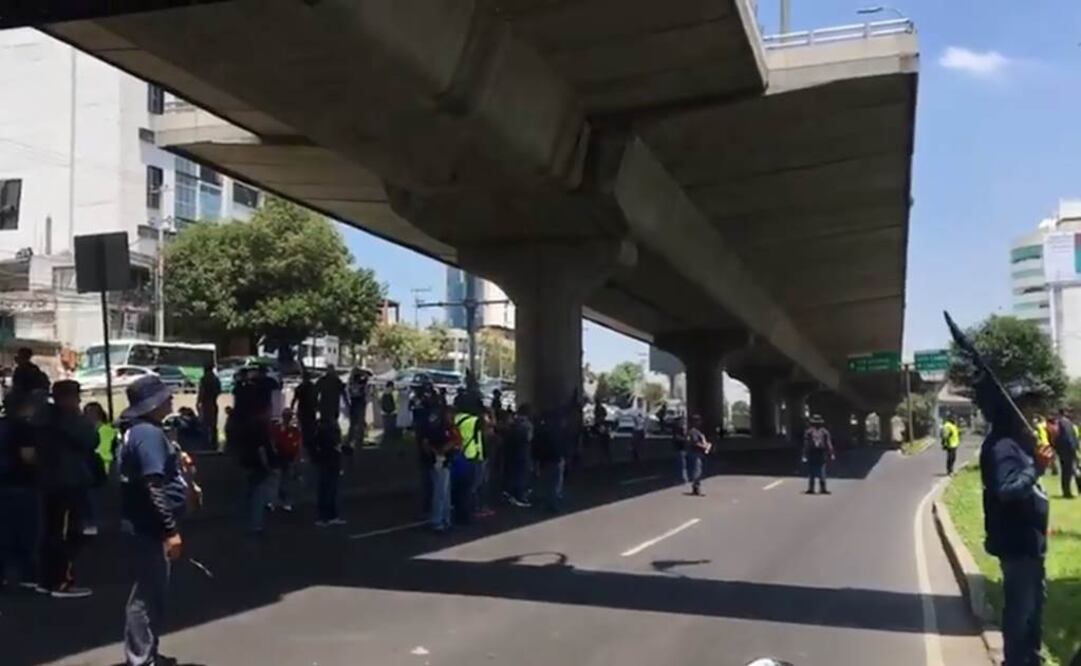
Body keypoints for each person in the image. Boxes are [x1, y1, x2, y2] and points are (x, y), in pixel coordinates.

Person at [116, 374, 186, 666]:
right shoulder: (147, 434)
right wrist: (170, 529)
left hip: (143, 524)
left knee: (153, 592)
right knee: (146, 595)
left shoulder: (141, 432)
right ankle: (141, 658)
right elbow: (153, 484)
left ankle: (148, 653)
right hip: (148, 526)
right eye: (164, 397)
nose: (170, 400)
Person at [36, 380, 97, 598]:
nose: (79, 400)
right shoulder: (70, 420)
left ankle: (46, 579)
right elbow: (91, 439)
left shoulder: (42, 419)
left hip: (48, 482)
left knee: (51, 531)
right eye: (76, 396)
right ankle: (62, 581)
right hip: (69, 482)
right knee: (68, 533)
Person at [0, 391, 43, 591]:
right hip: (21, 483)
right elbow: (28, 457)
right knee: (26, 531)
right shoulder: (24, 429)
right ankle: (27, 574)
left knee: (4, 532)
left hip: (3, 483)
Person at [82, 401, 116, 536]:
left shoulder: (103, 430)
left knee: (96, 503)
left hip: (99, 469)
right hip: (98, 470)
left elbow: (102, 451)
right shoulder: (105, 430)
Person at [426, 406, 456, 532]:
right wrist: (440, 452)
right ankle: (437, 520)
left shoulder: (445, 428)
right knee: (440, 493)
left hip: (445, 461)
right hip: (440, 461)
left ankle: (445, 519)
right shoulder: (441, 429)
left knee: (445, 493)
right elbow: (433, 444)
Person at [452, 407, 485, 524]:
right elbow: (478, 439)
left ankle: (457, 512)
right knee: (471, 486)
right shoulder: (474, 420)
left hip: (458, 455)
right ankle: (469, 512)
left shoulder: (455, 418)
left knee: (458, 486)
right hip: (472, 454)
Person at [270, 408, 301, 512]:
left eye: (289, 416)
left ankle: (285, 502)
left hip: (289, 457)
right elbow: (274, 442)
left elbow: (297, 445)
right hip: (279, 456)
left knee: (286, 481)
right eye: (286, 416)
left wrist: (296, 458)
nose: (288, 418)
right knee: (277, 481)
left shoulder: (294, 430)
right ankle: (274, 501)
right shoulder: (278, 428)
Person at [503, 404, 533, 507]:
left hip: (513, 452)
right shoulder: (527, 425)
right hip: (523, 452)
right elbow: (528, 438)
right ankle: (520, 497)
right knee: (522, 475)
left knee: (515, 474)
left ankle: (511, 493)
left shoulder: (513, 423)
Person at [802, 414, 835, 495]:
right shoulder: (825, 431)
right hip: (822, 453)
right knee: (822, 470)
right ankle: (823, 488)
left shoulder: (809, 431)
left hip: (811, 453)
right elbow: (828, 443)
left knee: (811, 470)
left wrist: (804, 455)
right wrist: (831, 453)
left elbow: (806, 444)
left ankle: (811, 488)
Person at [1053, 408, 1080, 499]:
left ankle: (1067, 491)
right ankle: (1067, 492)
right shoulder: (1065, 423)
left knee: (1068, 471)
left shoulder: (1062, 422)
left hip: (1064, 450)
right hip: (1067, 450)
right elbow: (1069, 437)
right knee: (1067, 471)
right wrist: (1074, 448)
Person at [292, 369, 318, 456]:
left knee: (304, 427)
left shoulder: (300, 387)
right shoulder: (312, 387)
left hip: (304, 410)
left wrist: (292, 409)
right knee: (309, 427)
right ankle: (309, 442)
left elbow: (294, 400)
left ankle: (305, 442)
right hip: (309, 410)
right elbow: (316, 399)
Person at [196, 362, 221, 449]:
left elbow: (201, 391)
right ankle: (214, 442)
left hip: (206, 403)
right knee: (213, 424)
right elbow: (219, 391)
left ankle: (205, 443)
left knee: (205, 424)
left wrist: (198, 402)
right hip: (213, 402)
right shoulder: (216, 379)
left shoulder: (204, 379)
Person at [686, 415, 710, 495]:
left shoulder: (696, 431)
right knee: (697, 471)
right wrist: (705, 446)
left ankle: (696, 487)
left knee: (698, 470)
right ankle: (696, 487)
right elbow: (695, 442)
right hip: (695, 453)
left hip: (697, 453)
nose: (700, 422)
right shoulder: (694, 432)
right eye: (698, 421)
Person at [346, 368, 369, 447]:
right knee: (359, 422)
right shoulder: (360, 382)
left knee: (353, 423)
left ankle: (350, 440)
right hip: (359, 403)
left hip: (354, 403)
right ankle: (358, 441)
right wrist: (364, 374)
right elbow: (367, 378)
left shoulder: (351, 382)